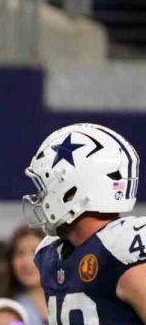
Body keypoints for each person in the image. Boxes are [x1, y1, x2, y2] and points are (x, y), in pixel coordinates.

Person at [24, 123, 146, 323]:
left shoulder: (122, 252)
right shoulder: (49, 254)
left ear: (71, 191)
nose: (40, 198)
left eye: (45, 187)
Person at [0, 225, 47, 324]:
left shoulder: (73, 301)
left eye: (35, 252)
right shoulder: (4, 313)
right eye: (20, 253)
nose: (27, 262)